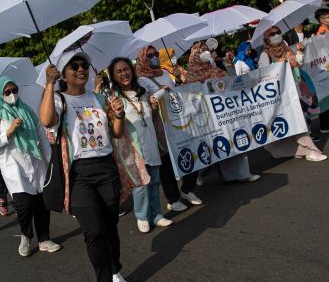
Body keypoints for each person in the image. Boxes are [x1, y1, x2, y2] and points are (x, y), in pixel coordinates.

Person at [39, 53, 136, 282]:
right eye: (74, 66)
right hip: (79, 174)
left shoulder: (100, 98)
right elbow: (46, 120)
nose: (80, 69)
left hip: (106, 168)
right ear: (64, 73)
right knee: (93, 230)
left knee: (110, 227)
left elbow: (116, 133)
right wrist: (50, 84)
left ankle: (115, 273)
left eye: (84, 65)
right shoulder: (59, 99)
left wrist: (120, 114)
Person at [0, 76, 62, 256]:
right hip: (14, 166)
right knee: (24, 204)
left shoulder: (27, 110)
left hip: (36, 162)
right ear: (0, 94)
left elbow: (41, 135)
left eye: (14, 90)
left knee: (42, 202)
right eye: (7, 92)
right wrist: (10, 130)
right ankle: (26, 235)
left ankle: (44, 239)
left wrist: (50, 159)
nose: (12, 94)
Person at [109, 57, 173, 233]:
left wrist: (153, 108)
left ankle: (156, 214)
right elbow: (115, 127)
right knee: (141, 184)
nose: (124, 73)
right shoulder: (114, 98)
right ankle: (142, 216)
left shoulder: (142, 92)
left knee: (154, 180)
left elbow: (149, 117)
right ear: (113, 76)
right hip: (133, 148)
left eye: (126, 69)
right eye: (119, 71)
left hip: (150, 142)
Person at [184, 42, 262, 183]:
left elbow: (232, 82)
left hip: (224, 112)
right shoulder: (190, 76)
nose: (206, 53)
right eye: (202, 50)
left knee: (235, 138)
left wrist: (229, 66)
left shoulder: (216, 69)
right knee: (212, 146)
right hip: (208, 118)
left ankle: (242, 173)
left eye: (207, 50)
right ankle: (202, 174)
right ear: (195, 54)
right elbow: (191, 99)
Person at [135, 46, 190, 213]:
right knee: (166, 161)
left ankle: (187, 188)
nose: (155, 58)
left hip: (177, 118)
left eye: (156, 54)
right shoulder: (141, 80)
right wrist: (161, 92)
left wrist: (178, 80)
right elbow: (147, 100)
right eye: (150, 55)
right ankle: (172, 198)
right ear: (143, 58)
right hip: (160, 124)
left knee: (185, 151)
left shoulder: (165, 73)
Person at [261, 26, 328, 162]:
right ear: (267, 38)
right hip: (279, 97)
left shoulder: (287, 50)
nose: (277, 35)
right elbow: (263, 77)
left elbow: (298, 66)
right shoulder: (265, 55)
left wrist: (299, 52)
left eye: (278, 32)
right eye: (273, 34)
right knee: (290, 125)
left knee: (298, 122)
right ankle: (305, 150)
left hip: (295, 92)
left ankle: (308, 151)